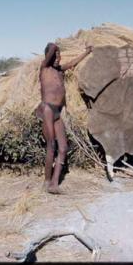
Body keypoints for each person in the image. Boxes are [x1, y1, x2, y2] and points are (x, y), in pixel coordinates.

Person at [36, 42, 93, 193]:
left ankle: (54, 184)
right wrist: (55, 47)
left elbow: (73, 63)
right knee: (51, 146)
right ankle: (46, 182)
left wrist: (87, 52)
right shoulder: (44, 68)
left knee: (63, 148)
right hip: (47, 109)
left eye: (59, 55)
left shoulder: (59, 71)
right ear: (48, 57)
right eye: (54, 55)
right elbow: (52, 48)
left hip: (58, 112)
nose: (57, 57)